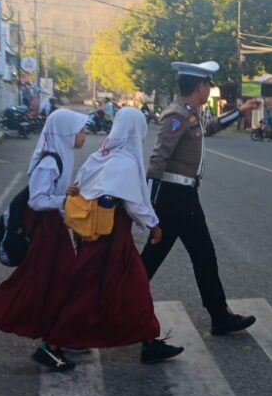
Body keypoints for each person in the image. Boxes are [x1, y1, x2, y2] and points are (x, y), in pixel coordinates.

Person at [0, 109, 90, 371]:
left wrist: (68, 198)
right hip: (46, 233)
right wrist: (66, 200)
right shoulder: (50, 162)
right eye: (80, 130)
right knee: (47, 284)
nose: (84, 134)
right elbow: (37, 200)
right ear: (66, 132)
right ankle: (50, 346)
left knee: (48, 284)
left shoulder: (62, 155)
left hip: (53, 230)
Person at [51, 108, 184, 364]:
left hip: (96, 235)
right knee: (90, 290)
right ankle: (55, 341)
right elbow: (134, 204)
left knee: (133, 287)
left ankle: (148, 340)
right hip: (110, 239)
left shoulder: (100, 156)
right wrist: (154, 226)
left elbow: (79, 188)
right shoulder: (125, 162)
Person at [141, 61, 262, 337]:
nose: (209, 89)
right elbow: (157, 161)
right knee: (153, 260)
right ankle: (108, 310)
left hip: (185, 198)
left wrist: (240, 111)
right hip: (173, 199)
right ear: (200, 86)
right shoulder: (176, 115)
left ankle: (219, 316)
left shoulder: (191, 113)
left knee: (202, 255)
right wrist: (147, 208)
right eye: (208, 85)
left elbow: (212, 127)